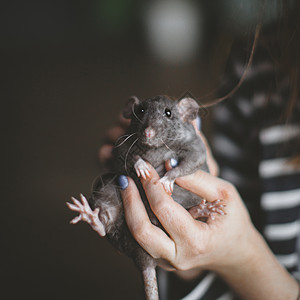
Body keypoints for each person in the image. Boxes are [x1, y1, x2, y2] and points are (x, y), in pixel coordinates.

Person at [97, 2, 300, 299]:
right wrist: (195, 252)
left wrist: (243, 256)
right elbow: (217, 233)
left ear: (187, 113)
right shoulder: (255, 67)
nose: (150, 130)